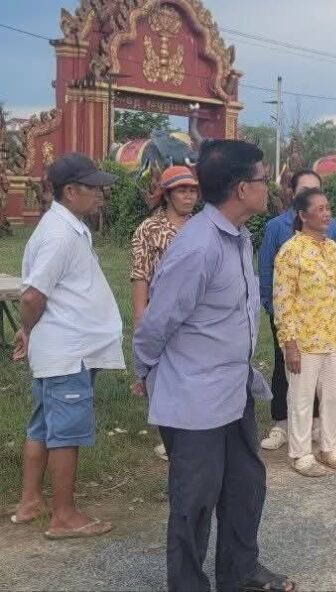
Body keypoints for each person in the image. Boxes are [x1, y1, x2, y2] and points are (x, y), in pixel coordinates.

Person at [133, 140, 295, 592]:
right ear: (242, 188)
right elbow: (156, 322)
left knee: (245, 486)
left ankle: (240, 573)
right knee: (195, 501)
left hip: (233, 387)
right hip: (195, 398)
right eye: (263, 179)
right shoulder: (198, 247)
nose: (269, 187)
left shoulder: (238, 237)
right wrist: (145, 371)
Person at [10, 153, 124, 539]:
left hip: (60, 348)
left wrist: (29, 331)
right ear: (70, 191)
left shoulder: (67, 227)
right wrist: (28, 328)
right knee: (66, 433)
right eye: (94, 187)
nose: (100, 194)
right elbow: (31, 295)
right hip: (67, 352)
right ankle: (64, 516)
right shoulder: (59, 234)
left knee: (43, 425)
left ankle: (30, 502)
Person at [273, 187, 336, 477]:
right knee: (301, 399)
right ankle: (300, 454)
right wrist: (290, 344)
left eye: (328, 208)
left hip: (333, 336)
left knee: (335, 395)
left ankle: (328, 447)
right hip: (304, 341)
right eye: (320, 209)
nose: (326, 214)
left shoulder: (331, 248)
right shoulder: (291, 251)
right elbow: (283, 302)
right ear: (303, 215)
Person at [258, 169, 336, 450]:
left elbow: (335, 274)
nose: (311, 195)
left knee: (322, 373)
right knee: (287, 367)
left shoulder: (331, 229)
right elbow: (267, 271)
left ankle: (315, 424)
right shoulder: (277, 227)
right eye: (305, 190)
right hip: (289, 316)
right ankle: (282, 423)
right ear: (292, 193)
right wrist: (273, 310)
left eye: (316, 190)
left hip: (324, 321)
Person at [129, 166, 198, 461]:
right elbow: (140, 275)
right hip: (161, 315)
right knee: (162, 377)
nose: (189, 196)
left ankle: (193, 434)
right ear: (167, 195)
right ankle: (170, 438)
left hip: (196, 317)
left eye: (193, 191)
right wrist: (140, 318)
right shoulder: (149, 229)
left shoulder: (201, 228)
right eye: (182, 191)